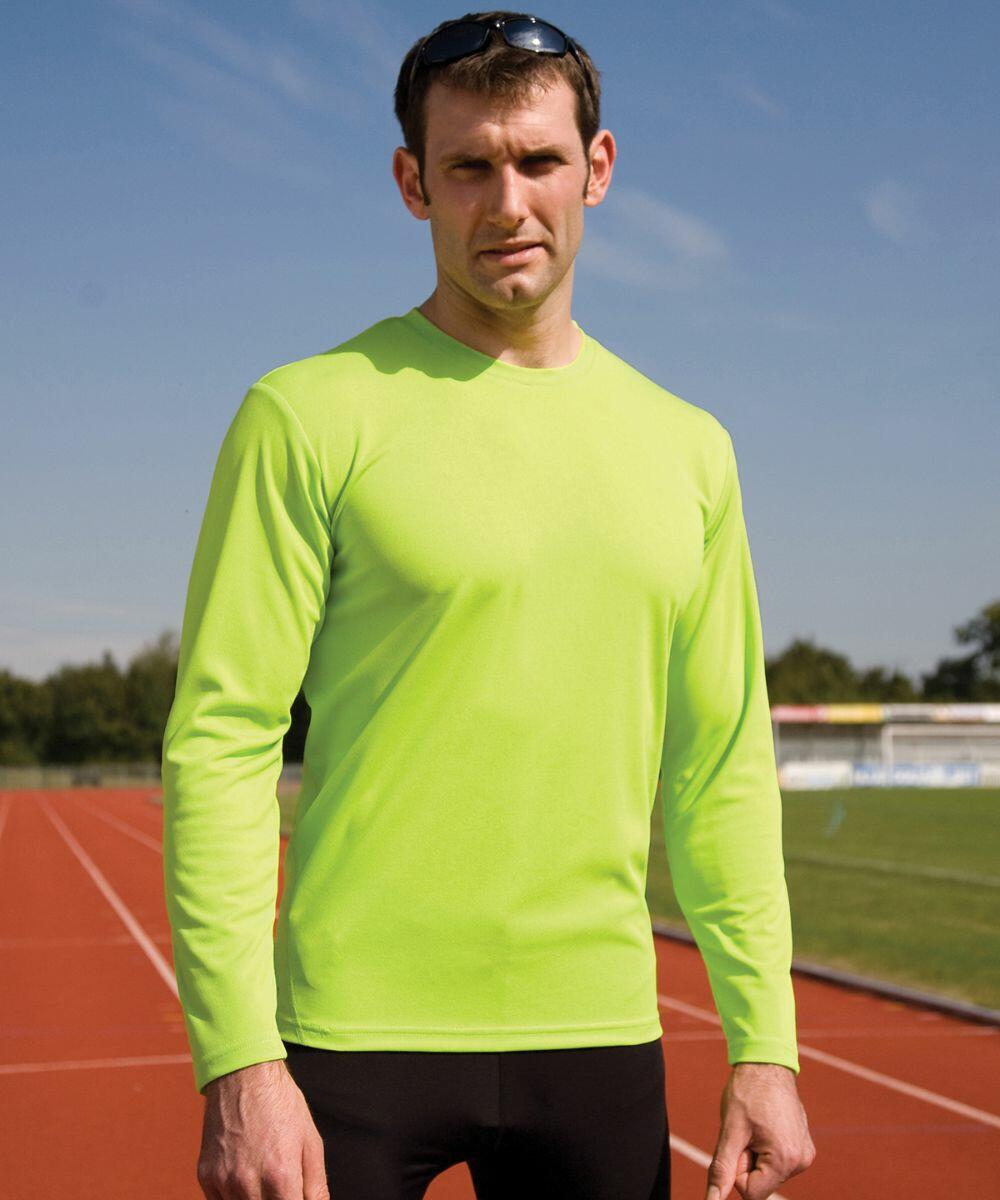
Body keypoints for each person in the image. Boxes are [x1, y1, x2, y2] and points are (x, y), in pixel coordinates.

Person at [161, 10, 817, 1200]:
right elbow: (220, 741)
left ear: (597, 169)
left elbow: (719, 764)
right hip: (350, 1046)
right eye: (468, 166)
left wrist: (763, 1042)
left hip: (600, 1035)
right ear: (414, 183)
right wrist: (239, 1060)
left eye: (538, 161)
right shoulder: (308, 415)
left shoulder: (690, 449)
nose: (506, 202)